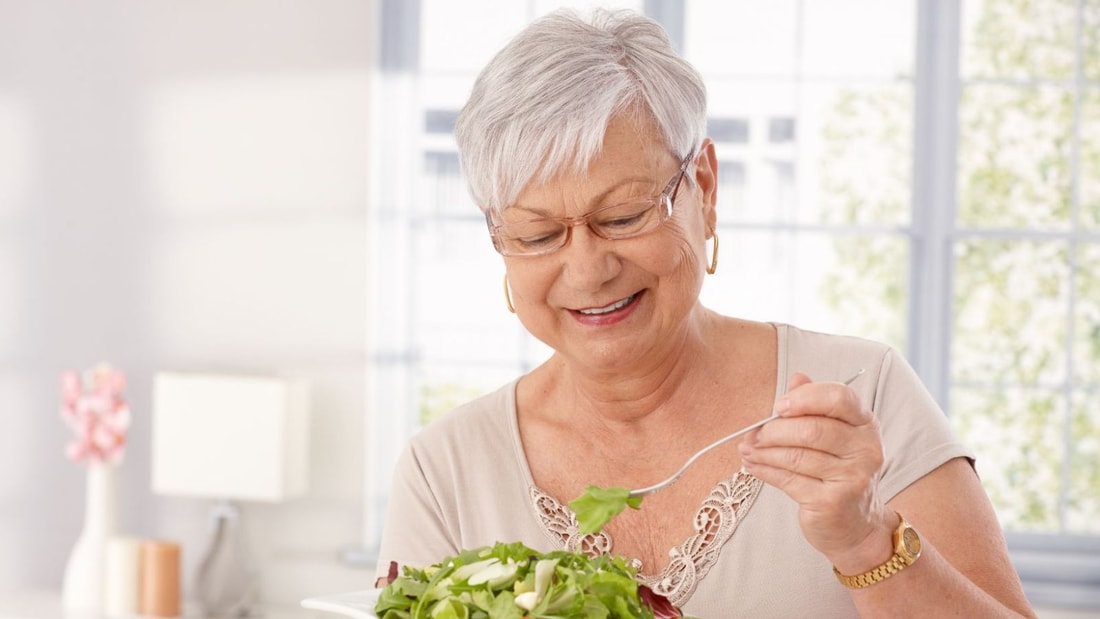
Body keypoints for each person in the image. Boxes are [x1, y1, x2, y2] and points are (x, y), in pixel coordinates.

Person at [376, 8, 1035, 617]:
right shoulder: (446, 471)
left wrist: (867, 541)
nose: (586, 269)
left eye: (624, 214)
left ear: (706, 187)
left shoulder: (861, 392)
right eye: (537, 234)